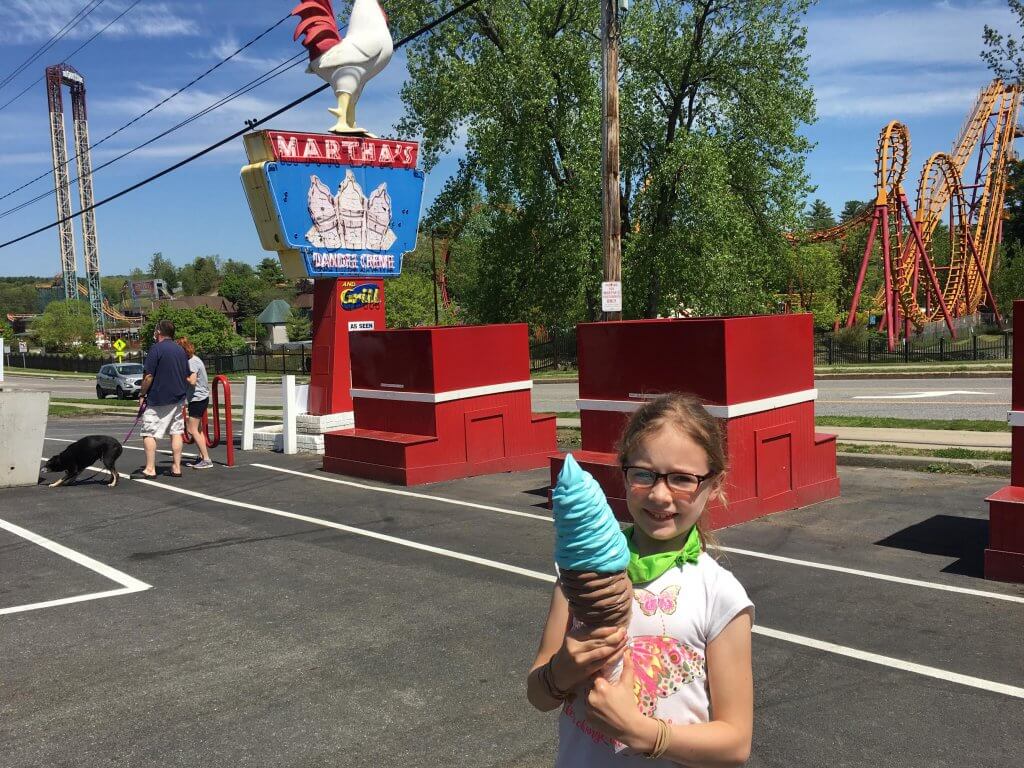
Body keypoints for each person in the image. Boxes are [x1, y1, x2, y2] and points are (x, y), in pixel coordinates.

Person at [527, 393, 754, 767]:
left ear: (714, 484)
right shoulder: (584, 577)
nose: (660, 494)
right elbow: (538, 695)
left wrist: (640, 732)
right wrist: (561, 671)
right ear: (624, 472)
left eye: (683, 479)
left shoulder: (720, 594)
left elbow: (735, 744)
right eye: (644, 474)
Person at [133, 319, 190, 479]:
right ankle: (177, 467)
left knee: (149, 432)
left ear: (158, 332)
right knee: (176, 431)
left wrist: (142, 394)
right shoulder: (180, 350)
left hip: (157, 399)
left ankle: (150, 468)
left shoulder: (156, 349)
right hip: (178, 398)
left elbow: (148, 376)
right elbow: (186, 374)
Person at [177, 337, 214, 469]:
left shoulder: (192, 362)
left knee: (192, 429)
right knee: (198, 429)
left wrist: (180, 375)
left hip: (198, 398)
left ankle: (207, 459)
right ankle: (202, 456)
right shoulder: (194, 359)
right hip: (199, 398)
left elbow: (192, 381)